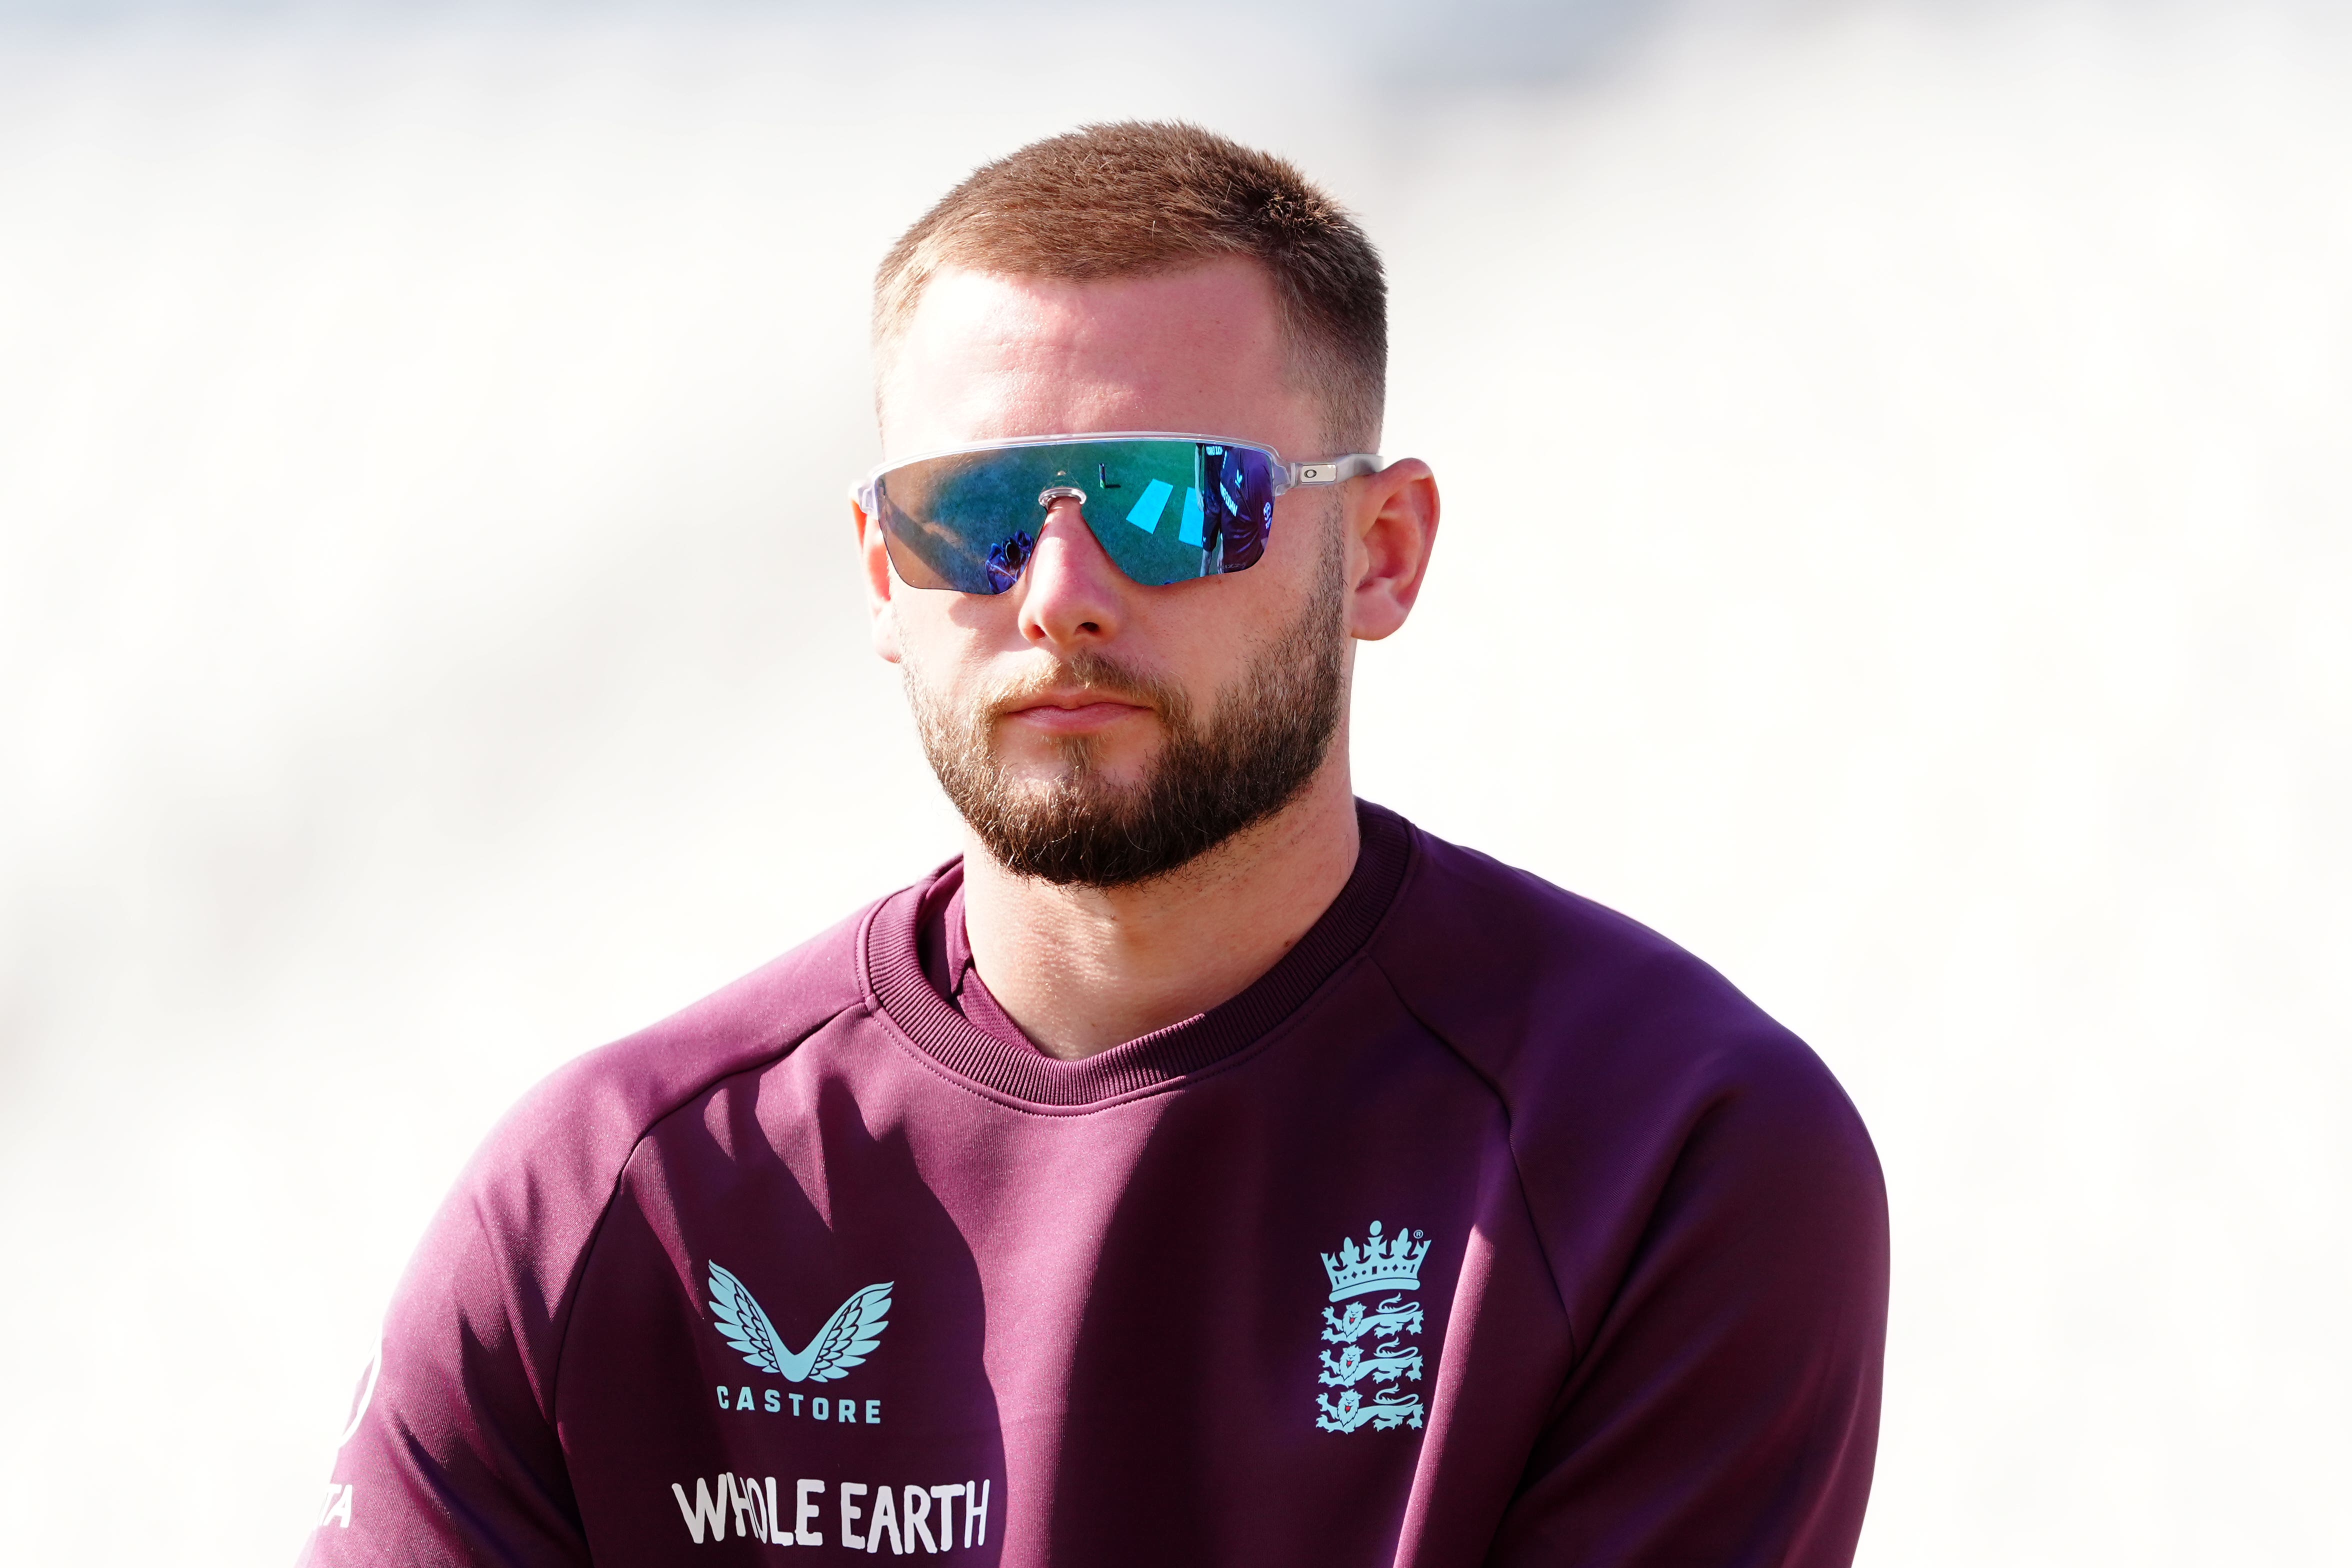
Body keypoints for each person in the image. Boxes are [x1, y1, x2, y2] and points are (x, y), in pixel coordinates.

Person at [302, 121, 1888, 1568]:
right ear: (880, 576)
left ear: (1382, 554)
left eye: (1173, 503)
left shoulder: (1666, 1148)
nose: (1057, 587)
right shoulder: (605, 1198)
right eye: (970, 515)